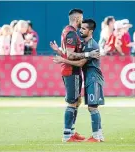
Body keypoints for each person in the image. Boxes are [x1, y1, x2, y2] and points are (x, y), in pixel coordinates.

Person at [50, 9, 100, 142]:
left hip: (71, 70)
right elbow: (71, 55)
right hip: (71, 71)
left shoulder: (66, 30)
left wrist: (60, 53)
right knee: (72, 102)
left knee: (76, 102)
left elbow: (67, 53)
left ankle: (71, 131)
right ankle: (67, 135)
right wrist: (88, 54)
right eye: (81, 19)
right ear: (77, 19)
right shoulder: (72, 33)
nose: (82, 22)